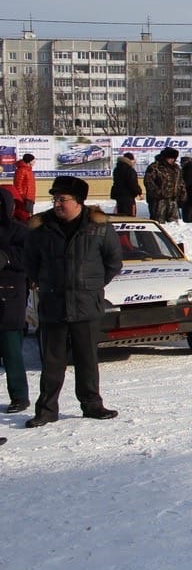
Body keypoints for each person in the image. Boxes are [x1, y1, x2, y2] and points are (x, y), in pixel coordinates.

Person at [22, 175, 123, 427]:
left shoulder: (99, 227)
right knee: (52, 363)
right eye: (55, 199)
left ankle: (92, 405)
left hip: (86, 305)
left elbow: (113, 262)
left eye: (62, 199)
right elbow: (29, 261)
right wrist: (43, 283)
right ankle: (46, 410)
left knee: (87, 360)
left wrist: (92, 284)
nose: (57, 204)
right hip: (53, 305)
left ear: (78, 201)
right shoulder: (41, 228)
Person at [0, 187, 30, 414]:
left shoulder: (19, 231)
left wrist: (7, 257)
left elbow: (29, 257)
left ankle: (19, 396)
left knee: (12, 353)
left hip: (10, 298)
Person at [144, 147, 185, 222]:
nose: (172, 160)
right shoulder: (154, 167)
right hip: (158, 201)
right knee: (158, 222)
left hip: (173, 200)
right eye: (170, 158)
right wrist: (158, 193)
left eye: (173, 158)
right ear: (164, 157)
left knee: (173, 223)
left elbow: (181, 183)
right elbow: (148, 182)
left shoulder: (176, 168)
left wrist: (182, 196)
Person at [108, 151, 142, 216]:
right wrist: (139, 192)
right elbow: (133, 183)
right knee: (130, 216)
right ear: (129, 160)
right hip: (128, 197)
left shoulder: (117, 169)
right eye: (133, 160)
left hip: (119, 196)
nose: (134, 162)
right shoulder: (130, 170)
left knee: (120, 215)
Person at [13, 152, 36, 216]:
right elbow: (17, 184)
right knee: (25, 215)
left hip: (30, 197)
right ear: (29, 161)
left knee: (30, 215)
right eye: (33, 160)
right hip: (25, 197)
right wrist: (21, 195)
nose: (34, 161)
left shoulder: (29, 170)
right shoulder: (21, 170)